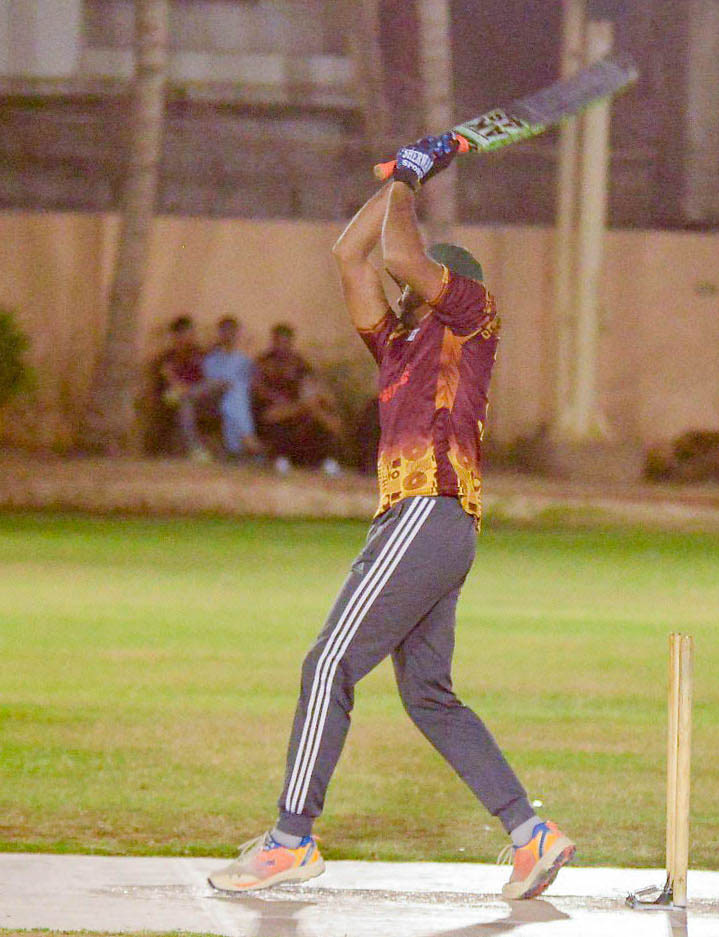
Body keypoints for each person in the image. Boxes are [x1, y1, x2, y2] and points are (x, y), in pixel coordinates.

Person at [209, 133, 575, 899]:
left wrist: (410, 181)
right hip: (428, 524)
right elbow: (350, 254)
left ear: (446, 283)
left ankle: (290, 839)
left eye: (424, 280)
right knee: (427, 694)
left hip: (426, 510)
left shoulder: (472, 313)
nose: (407, 286)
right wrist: (405, 175)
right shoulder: (399, 347)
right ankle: (531, 834)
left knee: (327, 664)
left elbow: (401, 256)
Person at [252, 323, 343, 476]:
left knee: (320, 416)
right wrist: (281, 401)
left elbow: (311, 383)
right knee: (282, 417)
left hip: (299, 407)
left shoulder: (299, 362)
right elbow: (259, 390)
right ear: (273, 341)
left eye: (285, 342)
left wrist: (317, 398)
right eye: (278, 342)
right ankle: (280, 458)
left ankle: (327, 459)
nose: (282, 346)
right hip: (272, 409)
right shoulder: (263, 363)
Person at [157, 315, 223, 462]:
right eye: (183, 333)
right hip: (176, 395)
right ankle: (194, 448)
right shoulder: (168, 357)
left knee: (221, 383)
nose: (188, 337)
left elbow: (207, 375)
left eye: (190, 332)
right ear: (175, 336)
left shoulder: (199, 353)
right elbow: (170, 379)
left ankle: (196, 449)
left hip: (197, 394)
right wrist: (184, 389)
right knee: (183, 401)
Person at [200, 316, 264, 459]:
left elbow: (251, 384)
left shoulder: (245, 360)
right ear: (220, 334)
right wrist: (226, 385)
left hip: (238, 402)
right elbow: (209, 384)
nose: (229, 335)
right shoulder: (211, 360)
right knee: (234, 395)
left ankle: (237, 447)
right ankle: (248, 439)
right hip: (215, 399)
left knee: (235, 397)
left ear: (237, 334)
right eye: (225, 331)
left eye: (232, 332)